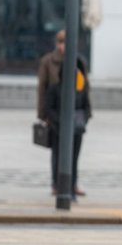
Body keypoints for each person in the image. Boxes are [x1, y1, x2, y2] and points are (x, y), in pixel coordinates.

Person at [37, 30, 86, 197]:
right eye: (61, 43)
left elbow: (85, 86)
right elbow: (42, 89)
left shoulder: (78, 61)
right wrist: (43, 114)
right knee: (57, 152)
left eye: (66, 43)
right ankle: (56, 184)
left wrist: (87, 114)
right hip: (55, 110)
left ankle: (72, 183)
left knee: (74, 152)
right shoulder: (48, 62)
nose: (63, 46)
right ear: (56, 44)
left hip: (75, 112)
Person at [46, 56, 92, 201]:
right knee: (59, 158)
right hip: (58, 129)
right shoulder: (55, 88)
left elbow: (87, 108)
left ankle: (72, 187)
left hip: (76, 130)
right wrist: (60, 122)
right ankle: (59, 186)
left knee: (74, 158)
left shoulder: (81, 89)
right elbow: (50, 108)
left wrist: (81, 121)